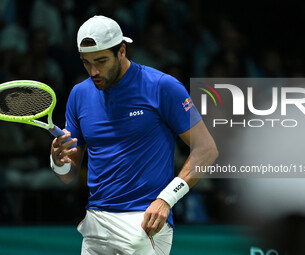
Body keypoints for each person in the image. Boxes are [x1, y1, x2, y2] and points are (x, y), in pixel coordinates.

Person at [50, 15, 218, 255]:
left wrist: (167, 200)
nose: (93, 71)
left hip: (144, 222)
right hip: (95, 223)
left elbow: (207, 149)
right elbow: (68, 175)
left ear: (122, 50)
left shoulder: (163, 86)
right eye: (86, 62)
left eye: (101, 60)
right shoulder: (79, 94)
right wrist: (57, 162)